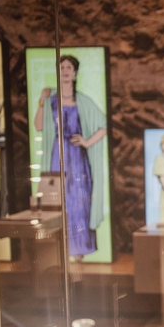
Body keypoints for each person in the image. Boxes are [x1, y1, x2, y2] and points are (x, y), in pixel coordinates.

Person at [34, 55, 107, 258]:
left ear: (75, 73)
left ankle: (79, 249)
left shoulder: (82, 101)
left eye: (69, 67)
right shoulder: (50, 100)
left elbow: (103, 126)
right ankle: (58, 249)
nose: (65, 71)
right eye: (62, 67)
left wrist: (86, 142)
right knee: (58, 199)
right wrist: (41, 101)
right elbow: (39, 126)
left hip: (77, 158)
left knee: (79, 200)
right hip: (57, 157)